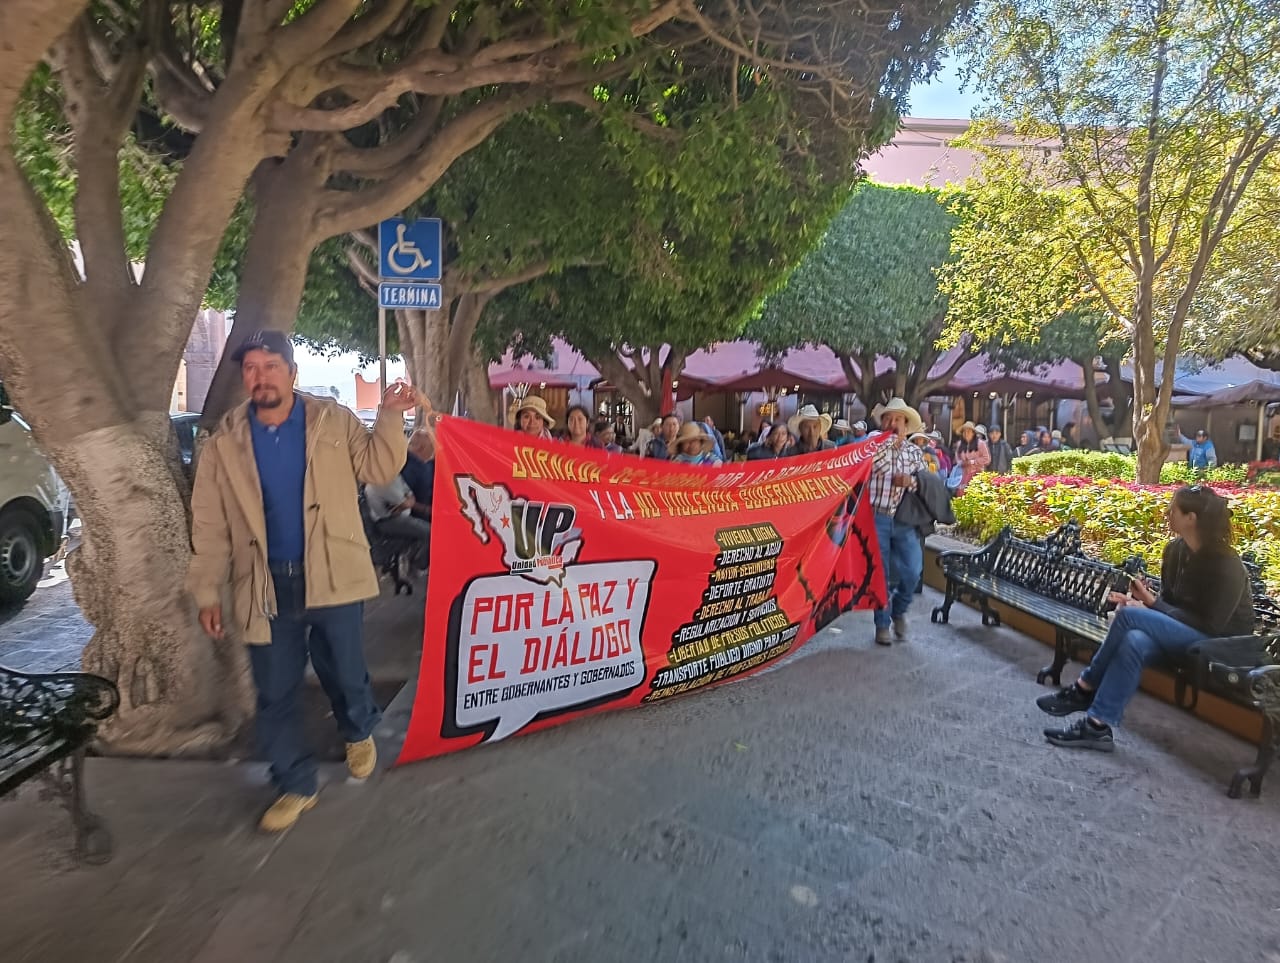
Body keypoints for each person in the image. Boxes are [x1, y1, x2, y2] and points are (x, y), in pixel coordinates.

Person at [185, 330, 412, 832]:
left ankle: (357, 728)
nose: (259, 376)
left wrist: (391, 414)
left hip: (333, 573)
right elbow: (209, 522)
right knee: (275, 691)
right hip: (264, 585)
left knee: (347, 671)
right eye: (251, 368)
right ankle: (294, 783)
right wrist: (206, 590)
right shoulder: (225, 443)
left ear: (292, 372)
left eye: (270, 366)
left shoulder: (331, 420)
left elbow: (379, 463)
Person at [1038, 485, 1255, 751]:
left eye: (1173, 510)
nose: (1167, 513)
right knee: (1135, 641)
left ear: (1191, 518)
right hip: (1185, 639)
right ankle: (1097, 726)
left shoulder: (1227, 565)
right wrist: (1142, 603)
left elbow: (1212, 625)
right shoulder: (1176, 552)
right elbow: (1169, 604)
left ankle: (1084, 687)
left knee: (1130, 618)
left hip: (1216, 647)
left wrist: (1149, 605)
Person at [867, 398, 928, 646]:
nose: (893, 423)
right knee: (879, 572)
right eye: (888, 419)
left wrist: (910, 483)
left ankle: (899, 609)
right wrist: (889, 444)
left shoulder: (915, 452)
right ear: (882, 423)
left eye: (898, 419)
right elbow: (876, 466)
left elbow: (925, 483)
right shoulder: (872, 445)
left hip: (903, 519)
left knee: (914, 570)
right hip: (876, 517)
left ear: (906, 424)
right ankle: (882, 624)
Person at [364, 473, 432, 572]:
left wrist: (406, 503)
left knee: (426, 528)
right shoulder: (377, 484)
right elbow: (405, 503)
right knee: (429, 532)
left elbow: (410, 497)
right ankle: (418, 565)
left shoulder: (395, 476)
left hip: (402, 515)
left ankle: (412, 557)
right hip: (387, 521)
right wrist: (407, 503)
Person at [399, 428, 436, 521]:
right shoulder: (409, 468)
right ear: (421, 447)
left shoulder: (428, 463)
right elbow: (402, 500)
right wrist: (427, 510)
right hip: (421, 517)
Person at [953, 421, 991, 492]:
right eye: (964, 432)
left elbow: (987, 459)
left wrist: (972, 462)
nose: (966, 434)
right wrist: (961, 462)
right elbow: (957, 457)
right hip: (963, 476)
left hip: (977, 474)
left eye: (968, 431)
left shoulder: (981, 444)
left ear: (973, 433)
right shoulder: (959, 444)